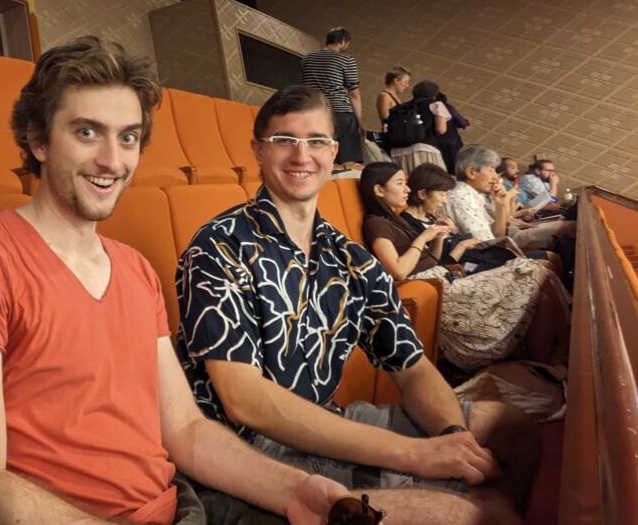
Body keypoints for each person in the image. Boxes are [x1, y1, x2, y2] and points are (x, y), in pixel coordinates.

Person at [0, 37, 352, 524]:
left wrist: (292, 490)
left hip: (179, 505)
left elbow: (186, 430)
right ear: (38, 140)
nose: (113, 161)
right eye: (88, 132)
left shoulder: (135, 268)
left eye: (128, 138)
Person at [177, 85, 540, 524]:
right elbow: (244, 400)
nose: (301, 155)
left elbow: (413, 368)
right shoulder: (219, 245)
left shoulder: (348, 258)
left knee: (514, 429)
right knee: (472, 515)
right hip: (246, 448)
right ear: (259, 151)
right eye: (285, 140)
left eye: (315, 141)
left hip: (322, 419)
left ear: (333, 152)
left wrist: (454, 438)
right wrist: (416, 455)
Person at [360, 162, 569, 371]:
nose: (407, 189)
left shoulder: (396, 220)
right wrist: (424, 236)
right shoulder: (376, 223)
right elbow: (398, 271)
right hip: (438, 287)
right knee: (536, 270)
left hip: (443, 276)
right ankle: (560, 355)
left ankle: (556, 357)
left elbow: (431, 259)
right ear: (379, 190)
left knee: (541, 289)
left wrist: (438, 236)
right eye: (400, 183)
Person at [444, 145, 575, 252]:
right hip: (479, 257)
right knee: (565, 233)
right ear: (471, 172)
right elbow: (488, 244)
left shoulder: (475, 194)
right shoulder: (461, 196)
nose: (495, 177)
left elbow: (497, 235)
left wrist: (501, 204)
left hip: (497, 245)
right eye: (491, 170)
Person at [301, 27, 363, 169]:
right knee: (348, 162)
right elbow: (354, 93)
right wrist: (359, 121)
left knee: (320, 151)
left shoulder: (306, 59)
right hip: (340, 111)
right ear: (342, 42)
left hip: (314, 110)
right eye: (347, 44)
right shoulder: (346, 59)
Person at [387, 80, 448, 173]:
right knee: (432, 180)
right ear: (434, 94)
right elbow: (441, 129)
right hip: (424, 150)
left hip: (398, 152)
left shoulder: (402, 107)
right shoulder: (436, 104)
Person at [434, 91, 469, 174]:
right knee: (458, 167)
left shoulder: (424, 110)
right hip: (452, 143)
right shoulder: (448, 108)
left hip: (435, 145)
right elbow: (462, 122)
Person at [375, 66, 411, 131]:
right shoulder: (385, 96)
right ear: (396, 80)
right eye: (405, 82)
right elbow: (386, 121)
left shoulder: (394, 96)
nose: (407, 85)